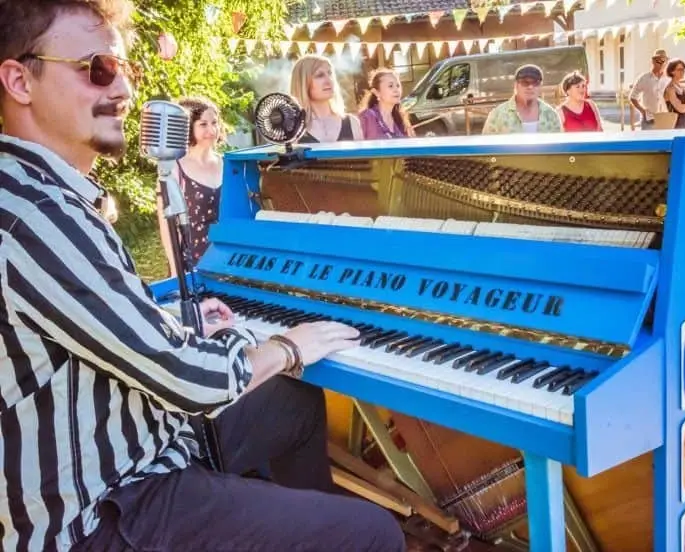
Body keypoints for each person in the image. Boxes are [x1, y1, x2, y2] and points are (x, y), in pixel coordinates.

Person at [0, 2, 406, 551]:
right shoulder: (35, 217)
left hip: (130, 444)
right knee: (373, 534)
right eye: (96, 67)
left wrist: (169, 320)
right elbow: (191, 380)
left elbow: (86, 327)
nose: (121, 89)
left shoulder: (34, 192)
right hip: (100, 510)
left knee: (294, 405)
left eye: (126, 70)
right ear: (19, 80)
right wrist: (284, 344)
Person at [156, 96, 224, 276]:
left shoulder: (227, 164)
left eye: (214, 123)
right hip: (192, 262)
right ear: (187, 127)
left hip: (227, 260)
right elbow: (167, 225)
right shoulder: (173, 168)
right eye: (203, 124)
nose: (211, 130)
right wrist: (176, 270)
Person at [290, 54, 364, 143]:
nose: (329, 81)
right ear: (303, 83)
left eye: (330, 73)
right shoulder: (292, 128)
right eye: (320, 75)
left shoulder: (352, 123)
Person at [482, 64, 562, 135]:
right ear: (516, 85)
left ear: (540, 86)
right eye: (525, 82)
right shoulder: (498, 115)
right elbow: (486, 148)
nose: (530, 87)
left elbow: (560, 147)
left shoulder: (551, 115)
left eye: (535, 83)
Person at [358, 68, 415, 139]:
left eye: (398, 85)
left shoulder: (401, 119)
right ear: (376, 92)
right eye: (390, 86)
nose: (396, 90)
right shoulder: (367, 117)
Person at [629, 49, 669, 130]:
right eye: (658, 60)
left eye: (664, 60)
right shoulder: (644, 78)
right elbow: (632, 96)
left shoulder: (668, 79)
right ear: (653, 61)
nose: (661, 63)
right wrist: (643, 112)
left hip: (665, 118)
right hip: (649, 119)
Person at [663, 58, 685, 129]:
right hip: (673, 126)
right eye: (679, 70)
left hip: (683, 124)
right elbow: (680, 108)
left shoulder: (681, 87)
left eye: (683, 69)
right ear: (672, 71)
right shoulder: (670, 88)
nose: (683, 72)